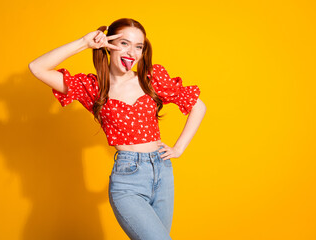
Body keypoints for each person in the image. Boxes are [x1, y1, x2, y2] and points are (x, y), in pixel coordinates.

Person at [29, 18, 206, 240]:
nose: (132, 51)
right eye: (124, 43)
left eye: (138, 46)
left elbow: (198, 106)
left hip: (162, 173)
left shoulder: (151, 79)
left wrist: (179, 148)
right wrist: (85, 43)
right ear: (109, 45)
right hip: (128, 180)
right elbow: (37, 67)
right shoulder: (93, 88)